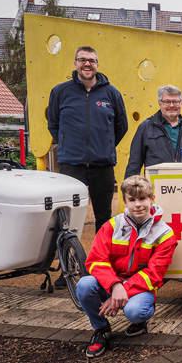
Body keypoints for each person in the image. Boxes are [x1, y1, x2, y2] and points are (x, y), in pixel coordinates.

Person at [48, 46, 128, 290]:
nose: (87, 64)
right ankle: (69, 271)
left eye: (91, 60)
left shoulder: (111, 93)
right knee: (69, 222)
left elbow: (121, 127)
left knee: (104, 220)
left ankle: (103, 269)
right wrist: (70, 145)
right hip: (71, 167)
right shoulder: (61, 92)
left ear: (97, 64)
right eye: (82, 60)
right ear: (75, 63)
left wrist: (103, 147)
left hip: (102, 167)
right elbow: (53, 124)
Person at [76, 175, 178, 358]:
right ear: (124, 201)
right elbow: (95, 261)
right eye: (132, 200)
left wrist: (122, 290)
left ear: (152, 199)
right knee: (84, 285)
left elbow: (154, 275)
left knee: (136, 312)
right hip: (111, 283)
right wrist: (115, 286)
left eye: (142, 198)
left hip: (140, 287)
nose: (137, 204)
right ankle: (101, 328)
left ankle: (140, 321)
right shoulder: (112, 226)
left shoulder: (165, 234)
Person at [125, 85, 182, 178]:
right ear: (159, 103)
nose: (172, 105)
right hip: (156, 186)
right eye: (167, 102)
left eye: (175, 101)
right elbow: (134, 163)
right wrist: (130, 188)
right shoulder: (145, 127)